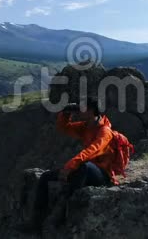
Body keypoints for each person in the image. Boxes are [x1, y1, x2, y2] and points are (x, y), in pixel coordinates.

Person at [20, 98, 119, 233]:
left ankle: (63, 212)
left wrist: (70, 166)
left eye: (82, 107)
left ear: (90, 111)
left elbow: (93, 150)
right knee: (45, 176)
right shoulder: (85, 126)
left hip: (102, 174)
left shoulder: (104, 131)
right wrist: (65, 114)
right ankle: (36, 221)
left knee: (84, 167)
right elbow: (63, 128)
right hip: (84, 168)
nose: (79, 110)